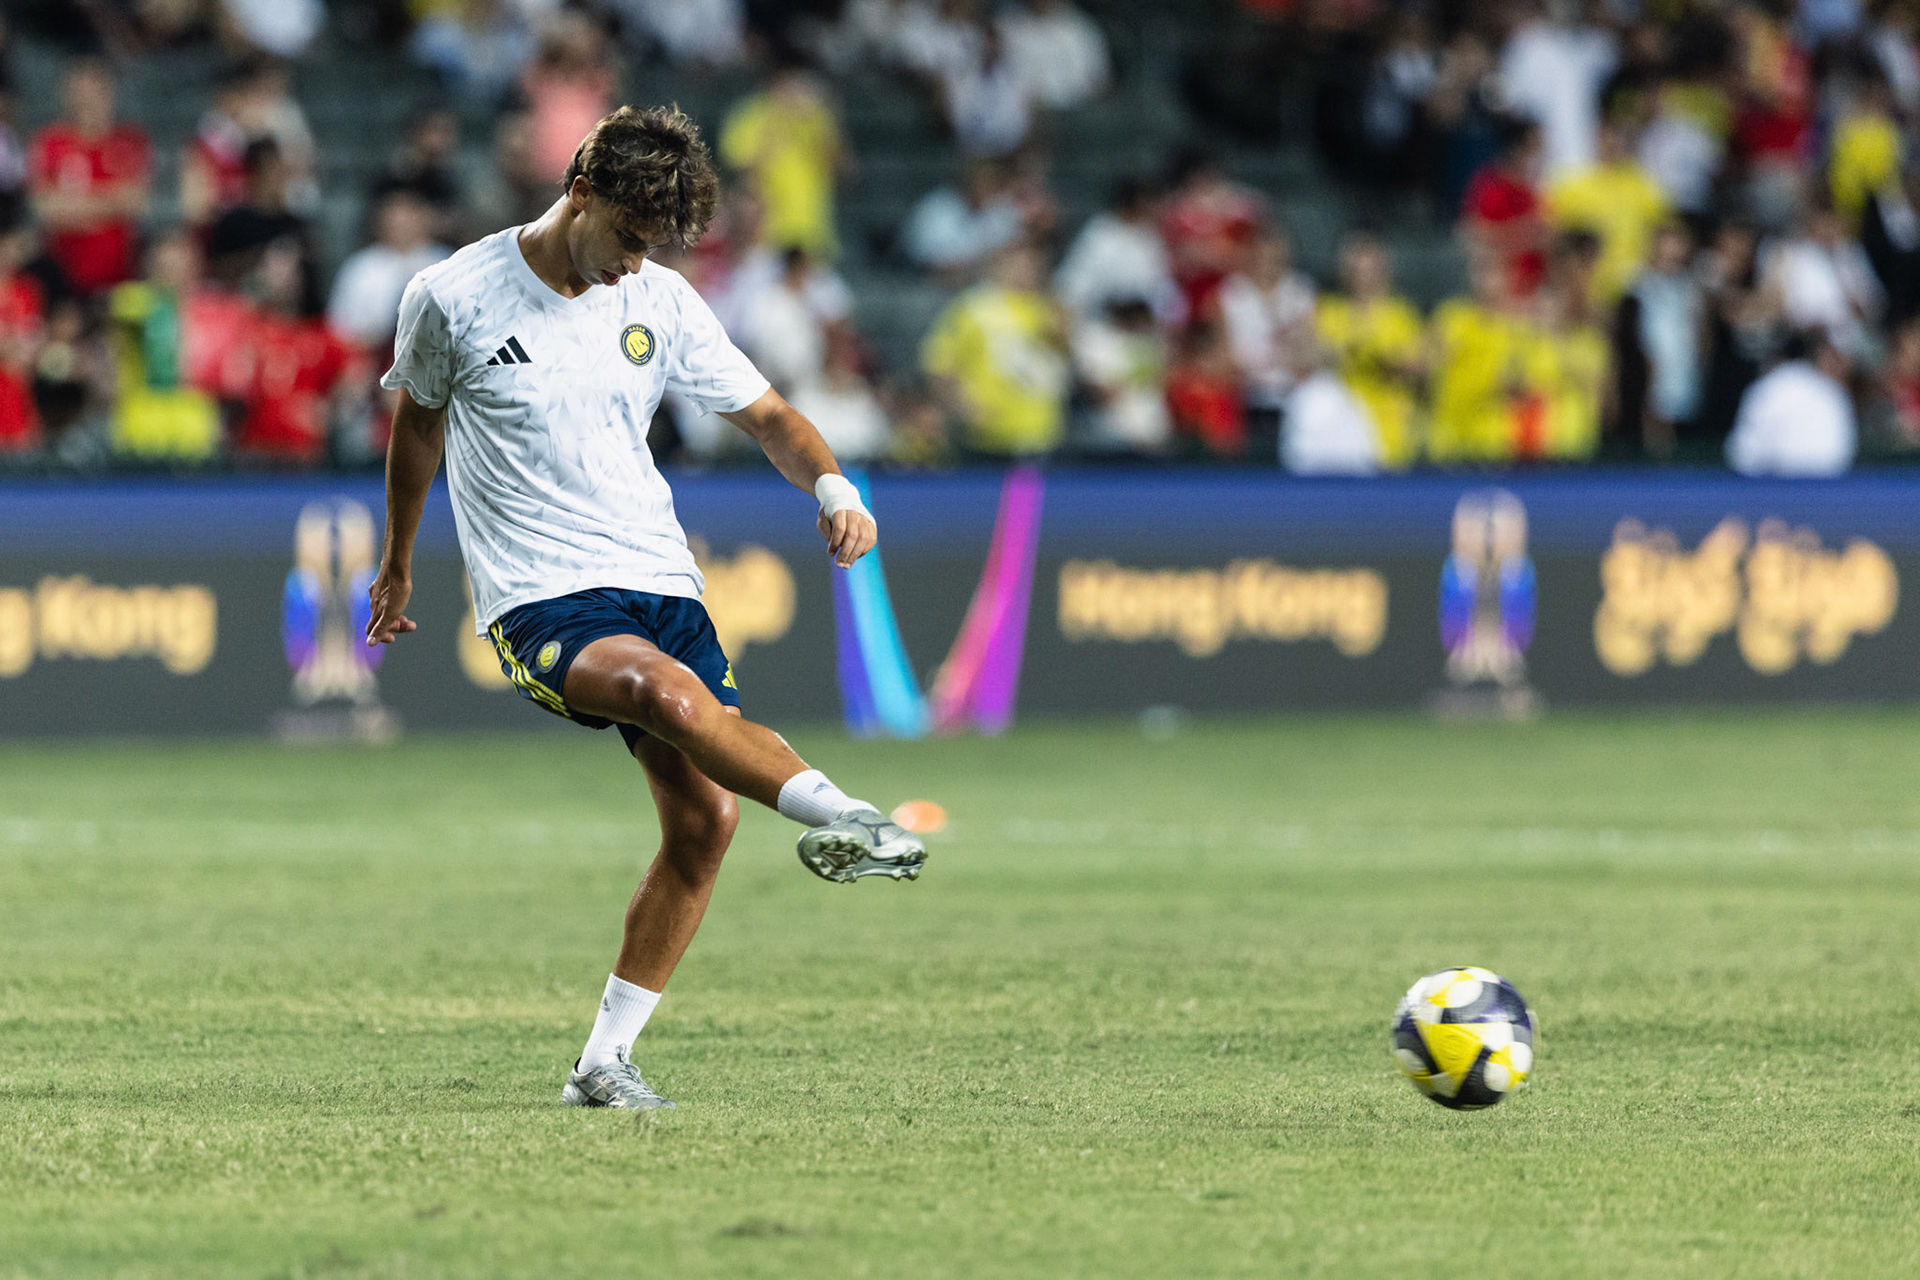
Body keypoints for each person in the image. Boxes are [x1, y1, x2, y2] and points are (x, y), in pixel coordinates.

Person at [365, 105, 928, 1111]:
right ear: (580, 190)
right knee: (664, 696)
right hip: (541, 594)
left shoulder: (659, 300)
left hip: (662, 578)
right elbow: (417, 426)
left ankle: (602, 1062)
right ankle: (849, 814)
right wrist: (398, 562)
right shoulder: (453, 296)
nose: (633, 264)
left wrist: (835, 486)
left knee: (707, 820)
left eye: (652, 247)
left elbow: (768, 415)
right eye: (627, 237)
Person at [920, 239, 1069, 456]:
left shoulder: (1051, 310)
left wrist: (1066, 334)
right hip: (984, 435)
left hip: (1040, 435)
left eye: (1032, 264)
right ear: (1001, 266)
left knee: (1029, 480)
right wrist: (960, 405)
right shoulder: (974, 308)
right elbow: (939, 364)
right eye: (1018, 263)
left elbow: (1068, 363)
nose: (1025, 270)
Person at [27, 59, 150, 297]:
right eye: (80, 92)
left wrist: (76, 207)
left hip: (122, 274)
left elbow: (136, 202)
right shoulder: (51, 142)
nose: (88, 100)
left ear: (110, 92)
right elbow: (47, 209)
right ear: (68, 95)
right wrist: (111, 202)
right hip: (63, 276)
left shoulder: (130, 140)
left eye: (95, 91)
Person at [1314, 231, 1425, 468]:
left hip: (1390, 426)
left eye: (1370, 269)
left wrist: (1381, 358)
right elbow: (1315, 358)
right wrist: (1340, 354)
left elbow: (1418, 367)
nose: (1363, 277)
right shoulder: (1330, 311)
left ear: (1383, 270)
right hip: (1337, 425)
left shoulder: (1401, 314)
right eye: (1357, 269)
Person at [719, 61, 846, 261]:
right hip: (766, 237)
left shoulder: (815, 116)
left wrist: (829, 117)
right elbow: (740, 171)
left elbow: (842, 170)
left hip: (812, 236)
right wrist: (779, 121)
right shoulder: (749, 114)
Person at [1725, 331, 1856, 475]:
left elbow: (1742, 454)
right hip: (1826, 485)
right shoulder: (1833, 391)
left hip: (1774, 483)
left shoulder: (1765, 388)